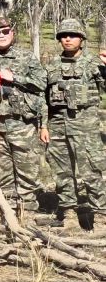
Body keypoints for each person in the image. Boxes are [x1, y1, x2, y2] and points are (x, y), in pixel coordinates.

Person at [0, 14, 46, 221]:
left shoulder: (26, 57)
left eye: (5, 32)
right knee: (1, 172)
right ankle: (6, 212)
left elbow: (41, 82)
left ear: (12, 33)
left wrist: (15, 78)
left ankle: (28, 213)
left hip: (22, 123)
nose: (2, 36)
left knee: (26, 170)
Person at [43, 18, 106, 233]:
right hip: (58, 125)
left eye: (72, 35)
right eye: (63, 36)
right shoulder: (51, 66)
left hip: (86, 126)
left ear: (82, 38)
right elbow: (44, 100)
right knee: (62, 171)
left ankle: (100, 217)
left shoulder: (95, 63)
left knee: (92, 171)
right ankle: (68, 213)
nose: (67, 39)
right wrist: (44, 126)